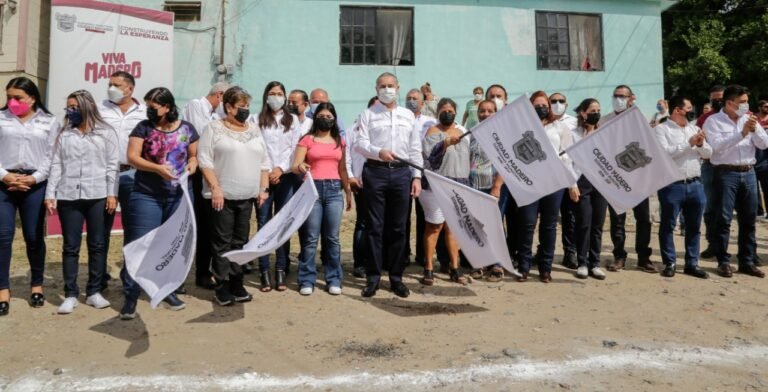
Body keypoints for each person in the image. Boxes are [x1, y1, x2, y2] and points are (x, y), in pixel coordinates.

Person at [119, 87, 199, 320]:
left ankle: (167, 291)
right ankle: (131, 296)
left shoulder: (187, 128)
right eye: (147, 106)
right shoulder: (143, 128)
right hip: (147, 195)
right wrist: (156, 169)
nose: (149, 111)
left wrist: (192, 165)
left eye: (153, 107)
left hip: (179, 196)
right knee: (140, 244)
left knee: (171, 244)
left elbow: (194, 155)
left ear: (167, 106)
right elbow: (133, 157)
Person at [45, 90, 119, 314]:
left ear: (87, 107)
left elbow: (112, 165)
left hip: (97, 195)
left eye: (75, 107)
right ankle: (70, 294)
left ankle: (94, 291)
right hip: (69, 196)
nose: (70, 111)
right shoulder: (64, 134)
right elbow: (56, 165)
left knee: (97, 244)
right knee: (70, 246)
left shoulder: (105, 132)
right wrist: (50, 194)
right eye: (68, 107)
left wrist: (111, 193)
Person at [198, 87, 270, 306]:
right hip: (222, 196)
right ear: (228, 107)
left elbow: (264, 162)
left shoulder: (255, 130)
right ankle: (221, 285)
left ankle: (237, 283)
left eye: (247, 106)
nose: (245, 111)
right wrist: (216, 187)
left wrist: (263, 188)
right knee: (222, 242)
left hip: (247, 196)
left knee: (240, 243)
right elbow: (205, 160)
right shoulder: (214, 128)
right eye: (241, 106)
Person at [355, 72, 422, 298]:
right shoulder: (367, 115)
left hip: (402, 173)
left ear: (398, 87)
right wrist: (378, 152)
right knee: (374, 227)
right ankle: (373, 277)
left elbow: (415, 148)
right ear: (376, 89)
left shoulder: (408, 116)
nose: (387, 89)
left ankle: (396, 277)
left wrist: (417, 177)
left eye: (391, 85)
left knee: (399, 227)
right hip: (376, 172)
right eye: (383, 86)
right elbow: (360, 143)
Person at [0, 77, 58, 316]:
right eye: (9, 97)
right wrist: (5, 176)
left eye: (18, 97)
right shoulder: (1, 118)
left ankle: (37, 285)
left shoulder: (49, 121)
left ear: (32, 98)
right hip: (4, 184)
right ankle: (3, 289)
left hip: (34, 184)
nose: (12, 102)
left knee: (33, 237)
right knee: (3, 237)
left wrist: (33, 178)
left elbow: (51, 156)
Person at [703, 85, 767, 278]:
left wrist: (754, 130)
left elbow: (764, 144)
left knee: (749, 219)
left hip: (748, 172)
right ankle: (723, 260)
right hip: (725, 174)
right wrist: (741, 134)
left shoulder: (749, 119)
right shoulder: (713, 122)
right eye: (742, 102)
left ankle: (746, 260)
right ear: (729, 103)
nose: (746, 105)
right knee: (723, 219)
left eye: (747, 101)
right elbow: (716, 148)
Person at [292, 102, 352, 295]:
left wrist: (348, 191)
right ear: (315, 117)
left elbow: (343, 169)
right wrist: (301, 167)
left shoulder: (339, 141)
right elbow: (296, 165)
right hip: (313, 191)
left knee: (332, 238)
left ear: (334, 119)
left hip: (335, 190)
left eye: (329, 117)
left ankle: (334, 278)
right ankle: (306, 279)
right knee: (310, 238)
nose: (325, 119)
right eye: (321, 116)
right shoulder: (307, 140)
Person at [99, 71, 148, 288]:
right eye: (110, 84)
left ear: (130, 88)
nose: (111, 88)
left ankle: (130, 275)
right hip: (103, 174)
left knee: (133, 227)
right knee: (100, 228)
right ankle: (98, 275)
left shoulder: (145, 112)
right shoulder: (100, 109)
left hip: (133, 175)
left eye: (117, 85)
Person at [654, 95, 711, 279]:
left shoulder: (694, 128)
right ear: (677, 110)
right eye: (688, 107)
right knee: (668, 225)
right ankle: (669, 262)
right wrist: (689, 143)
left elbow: (708, 153)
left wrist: (701, 143)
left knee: (694, 227)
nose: (691, 110)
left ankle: (691, 264)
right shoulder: (662, 130)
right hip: (672, 185)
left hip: (695, 183)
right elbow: (665, 153)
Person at [601, 85, 656, 273]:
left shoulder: (639, 119)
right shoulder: (605, 121)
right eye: (615, 96)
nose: (618, 99)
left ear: (631, 98)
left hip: (638, 178)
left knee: (643, 220)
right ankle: (619, 256)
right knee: (617, 220)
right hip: (615, 178)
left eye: (622, 96)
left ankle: (643, 257)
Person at [182, 82, 230, 292]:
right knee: (200, 225)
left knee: (212, 226)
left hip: (212, 172)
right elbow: (203, 139)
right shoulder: (196, 106)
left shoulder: (214, 114)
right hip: (196, 172)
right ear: (220, 95)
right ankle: (199, 272)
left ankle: (209, 270)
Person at [255, 81, 302, 292]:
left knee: (283, 223)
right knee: (263, 222)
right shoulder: (256, 119)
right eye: (272, 93)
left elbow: (294, 149)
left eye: (280, 93)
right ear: (266, 96)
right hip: (263, 177)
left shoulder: (292, 120)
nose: (276, 97)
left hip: (286, 177)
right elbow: (257, 148)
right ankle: (264, 270)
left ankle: (281, 268)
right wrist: (269, 170)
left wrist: (280, 169)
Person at [515, 91, 567, 283]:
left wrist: (571, 183)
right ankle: (524, 267)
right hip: (530, 181)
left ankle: (546, 267)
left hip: (554, 183)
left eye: (545, 105)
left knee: (549, 226)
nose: (542, 108)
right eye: (537, 105)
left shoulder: (559, 127)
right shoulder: (523, 127)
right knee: (528, 224)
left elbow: (566, 155)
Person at [418, 98, 471, 286]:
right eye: (443, 110)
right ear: (437, 113)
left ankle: (454, 268)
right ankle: (429, 267)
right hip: (435, 186)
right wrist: (445, 143)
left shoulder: (463, 133)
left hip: (458, 186)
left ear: (456, 113)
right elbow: (430, 159)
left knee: (453, 228)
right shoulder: (432, 132)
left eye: (450, 110)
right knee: (434, 226)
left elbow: (467, 161)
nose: (447, 113)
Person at [569, 98, 608, 280]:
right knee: (584, 223)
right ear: (583, 113)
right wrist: (572, 184)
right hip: (581, 181)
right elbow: (568, 161)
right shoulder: (573, 134)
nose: (596, 113)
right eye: (592, 110)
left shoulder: (604, 133)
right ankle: (582, 262)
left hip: (600, 182)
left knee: (597, 225)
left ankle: (595, 263)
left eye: (598, 110)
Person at [468, 100, 504, 280]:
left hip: (493, 187)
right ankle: (479, 262)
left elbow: (505, 164)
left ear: (496, 112)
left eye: (490, 111)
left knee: (493, 225)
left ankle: (497, 264)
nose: (485, 114)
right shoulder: (472, 133)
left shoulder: (500, 134)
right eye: (482, 111)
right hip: (473, 186)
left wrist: (497, 186)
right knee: (476, 225)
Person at [405, 88, 438, 268]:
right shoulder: (401, 118)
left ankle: (422, 255)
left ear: (422, 103)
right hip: (403, 172)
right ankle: (403, 254)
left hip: (424, 174)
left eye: (415, 98)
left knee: (424, 216)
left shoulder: (430, 122)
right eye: (409, 98)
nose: (411, 101)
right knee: (403, 216)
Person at [347, 96, 378, 279]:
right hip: (361, 182)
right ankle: (360, 263)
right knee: (363, 223)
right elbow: (347, 156)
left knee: (380, 224)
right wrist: (351, 177)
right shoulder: (354, 129)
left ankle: (377, 261)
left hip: (382, 182)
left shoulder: (387, 130)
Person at [487, 84, 516, 277]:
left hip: (503, 181)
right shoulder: (480, 123)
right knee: (488, 222)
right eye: (492, 96)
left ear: (505, 100)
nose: (496, 99)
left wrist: (498, 184)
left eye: (499, 96)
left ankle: (500, 261)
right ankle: (489, 260)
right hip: (481, 182)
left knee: (503, 221)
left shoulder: (510, 124)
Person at [549, 92, 578, 269]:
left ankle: (570, 252)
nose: (557, 104)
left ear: (566, 105)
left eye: (561, 101)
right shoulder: (543, 122)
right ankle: (545, 252)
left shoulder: (573, 122)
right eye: (553, 101)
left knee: (569, 217)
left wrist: (573, 182)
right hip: (549, 178)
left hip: (570, 175)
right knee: (548, 220)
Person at [698, 85, 725, 259]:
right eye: (714, 98)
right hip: (710, 167)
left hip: (730, 167)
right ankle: (712, 244)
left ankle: (745, 250)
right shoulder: (704, 118)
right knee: (710, 207)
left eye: (720, 97)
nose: (717, 101)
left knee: (728, 210)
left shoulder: (739, 117)